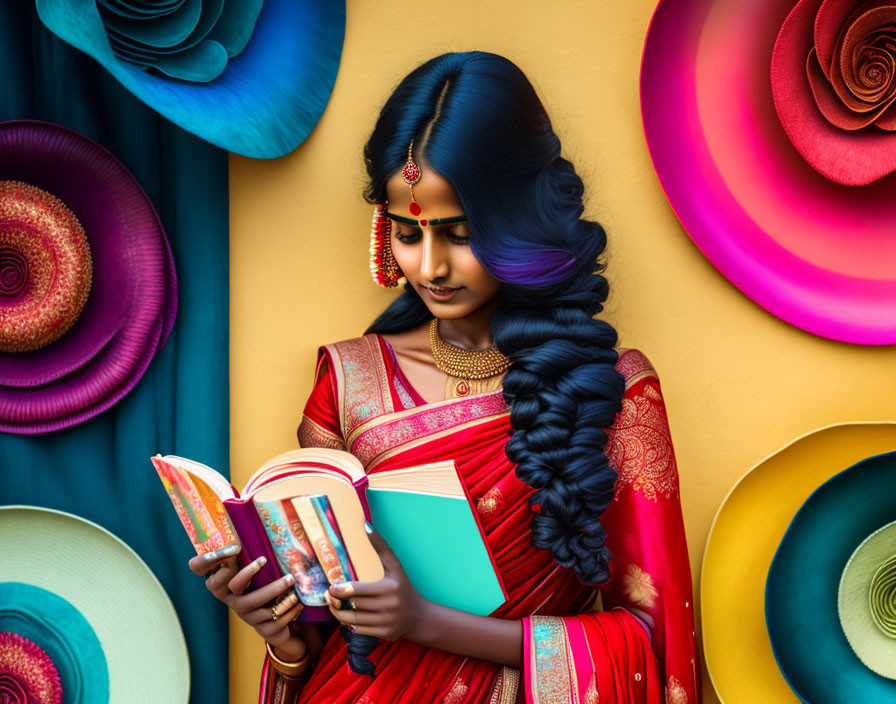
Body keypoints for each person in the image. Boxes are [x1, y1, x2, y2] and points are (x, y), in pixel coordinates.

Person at [190, 51, 699, 704]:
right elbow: (337, 633)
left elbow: (652, 643)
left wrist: (426, 623)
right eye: (407, 232)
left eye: (459, 233)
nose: (429, 267)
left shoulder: (613, 389)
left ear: (518, 221)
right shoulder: (348, 380)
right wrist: (283, 636)